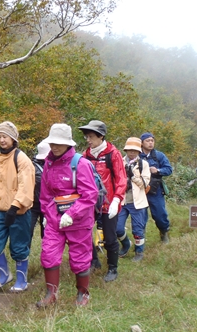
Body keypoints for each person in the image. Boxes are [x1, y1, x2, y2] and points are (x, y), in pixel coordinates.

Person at [37, 123, 98, 308]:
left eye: (59, 143)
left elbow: (90, 195)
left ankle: (82, 294)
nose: (54, 146)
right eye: (52, 142)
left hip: (79, 221)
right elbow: (45, 194)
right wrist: (48, 215)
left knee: (79, 258)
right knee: (48, 253)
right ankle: (51, 294)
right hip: (55, 220)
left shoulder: (81, 164)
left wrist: (71, 214)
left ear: (68, 144)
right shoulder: (48, 162)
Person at [0, 122, 35, 293]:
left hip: (18, 213)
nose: (2, 140)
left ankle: (22, 281)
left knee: (19, 247)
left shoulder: (21, 159)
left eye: (5, 136)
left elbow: (26, 186)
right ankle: (4, 275)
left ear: (13, 138)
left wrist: (15, 206)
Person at [80, 120, 127, 283]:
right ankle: (94, 261)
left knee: (110, 236)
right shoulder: (86, 155)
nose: (88, 140)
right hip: (90, 203)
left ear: (101, 136)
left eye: (91, 136)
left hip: (109, 203)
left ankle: (113, 268)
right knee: (85, 233)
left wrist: (116, 200)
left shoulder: (113, 154)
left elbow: (122, 178)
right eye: (87, 136)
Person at [116, 137, 151, 262]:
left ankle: (139, 252)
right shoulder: (119, 161)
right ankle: (126, 244)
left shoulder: (143, 164)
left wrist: (133, 176)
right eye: (129, 150)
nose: (132, 153)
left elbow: (145, 184)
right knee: (117, 228)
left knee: (138, 229)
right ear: (126, 150)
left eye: (135, 150)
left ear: (139, 151)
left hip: (138, 202)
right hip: (122, 200)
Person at [139, 132, 173, 243]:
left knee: (160, 214)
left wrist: (158, 170)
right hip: (140, 190)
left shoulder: (159, 156)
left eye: (152, 140)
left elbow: (169, 170)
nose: (150, 143)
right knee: (140, 217)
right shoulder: (137, 155)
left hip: (155, 190)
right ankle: (140, 240)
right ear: (142, 143)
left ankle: (164, 232)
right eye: (147, 141)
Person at [30, 140, 50, 241]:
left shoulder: (55, 165)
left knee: (47, 232)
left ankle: (47, 254)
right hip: (33, 204)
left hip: (49, 204)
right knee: (27, 231)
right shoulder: (31, 166)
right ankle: (23, 255)